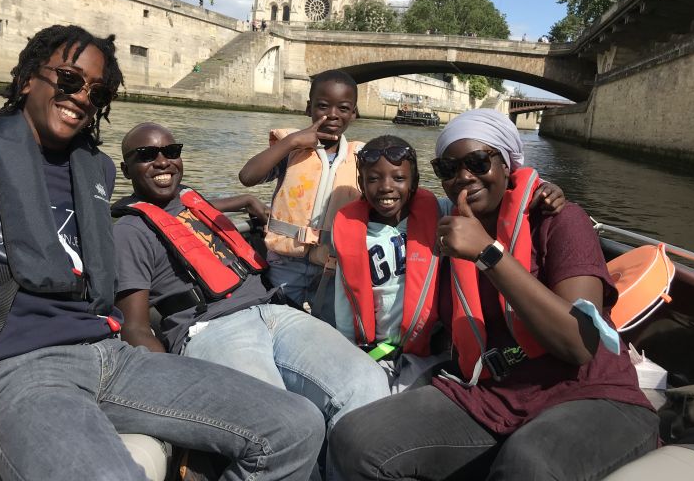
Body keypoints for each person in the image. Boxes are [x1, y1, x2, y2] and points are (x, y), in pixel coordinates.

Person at [0, 25, 325, 481]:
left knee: (295, 427)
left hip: (109, 354)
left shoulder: (95, 171)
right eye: (69, 80)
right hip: (9, 372)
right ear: (26, 81)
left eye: (97, 93)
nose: (82, 97)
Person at [330, 109, 658, 480]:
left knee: (526, 464)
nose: (464, 176)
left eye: (478, 162)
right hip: (489, 394)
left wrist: (488, 254)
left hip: (588, 394)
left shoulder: (560, 221)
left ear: (506, 165)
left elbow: (579, 345)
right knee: (355, 439)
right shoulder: (446, 232)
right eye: (448, 168)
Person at [112, 122, 389, 480]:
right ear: (126, 170)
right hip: (211, 329)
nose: (163, 162)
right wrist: (172, 389)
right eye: (147, 156)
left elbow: (209, 205)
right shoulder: (130, 233)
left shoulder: (190, 202)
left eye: (171, 151)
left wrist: (245, 201)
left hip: (273, 311)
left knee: (366, 381)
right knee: (284, 423)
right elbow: (134, 326)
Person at [333, 134, 565, 391]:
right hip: (376, 348)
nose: (386, 187)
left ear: (414, 182)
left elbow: (484, 197)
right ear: (361, 183)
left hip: (427, 347)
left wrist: (542, 186)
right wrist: (348, 347)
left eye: (399, 178)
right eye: (373, 179)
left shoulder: (439, 212)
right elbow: (345, 296)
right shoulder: (352, 233)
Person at [238, 69, 361, 323]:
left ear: (354, 112)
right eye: (323, 106)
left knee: (326, 330)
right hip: (285, 263)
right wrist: (292, 141)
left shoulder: (361, 159)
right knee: (278, 322)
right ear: (309, 108)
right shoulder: (291, 150)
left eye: (343, 108)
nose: (333, 115)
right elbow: (248, 176)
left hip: (333, 268)